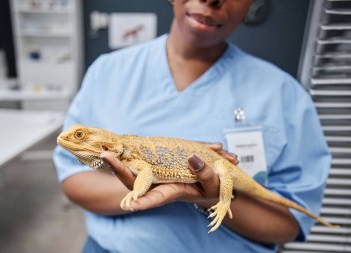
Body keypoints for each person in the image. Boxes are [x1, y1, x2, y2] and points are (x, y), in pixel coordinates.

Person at [53, 0, 331, 252]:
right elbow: (73, 179)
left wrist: (214, 198)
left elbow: (289, 224)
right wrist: (157, 186)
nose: (211, 0)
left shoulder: (284, 94)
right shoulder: (107, 71)